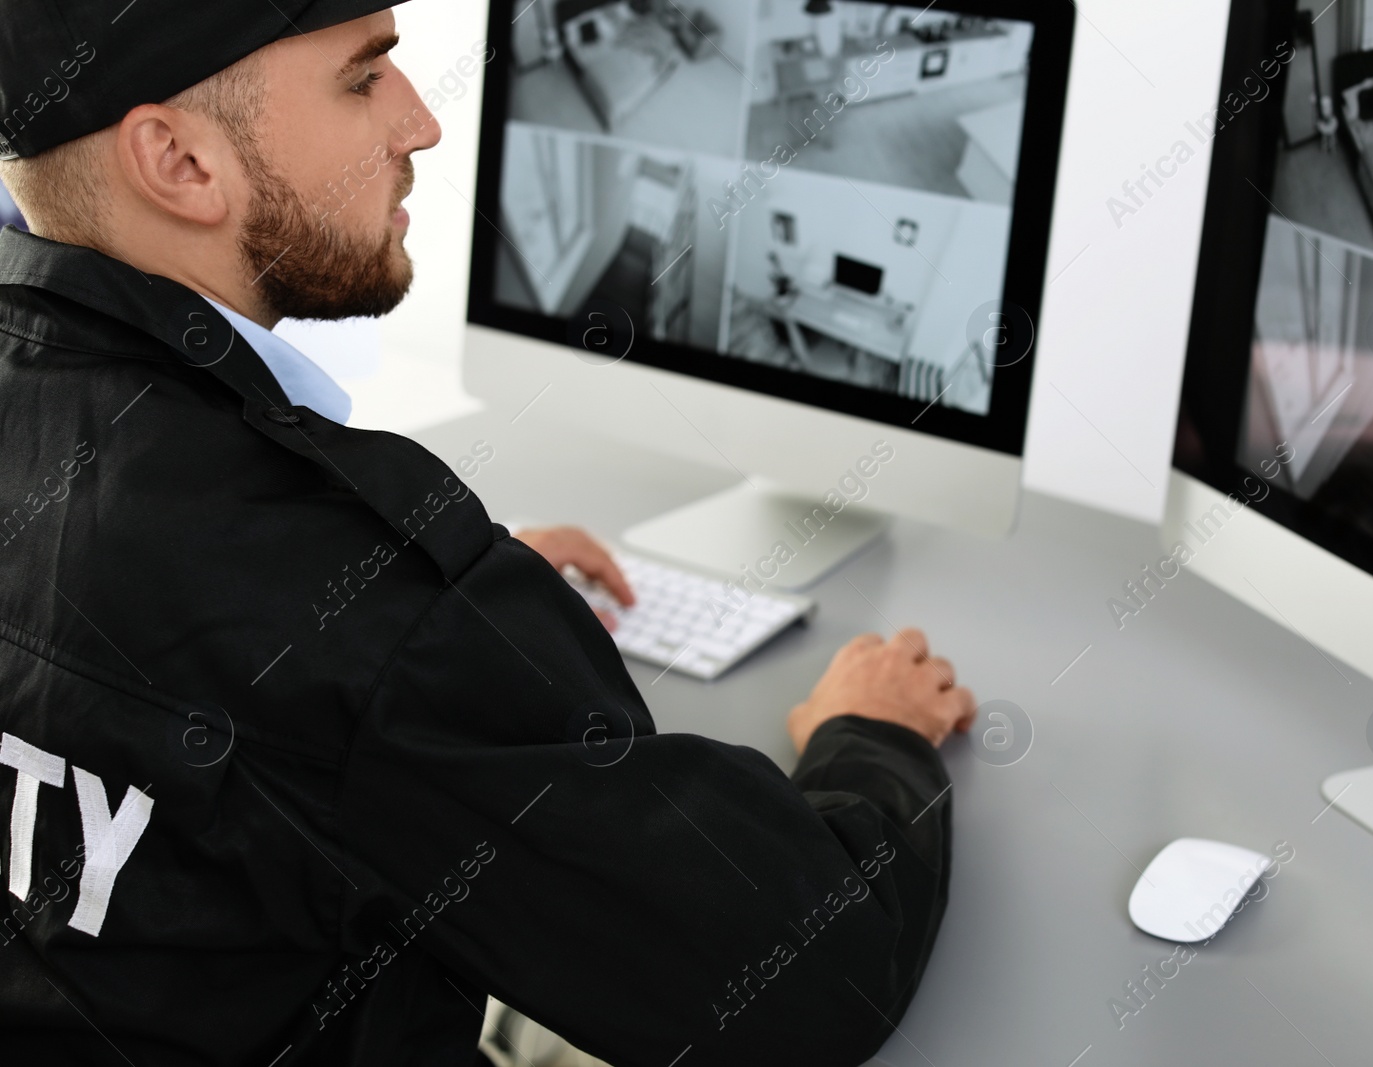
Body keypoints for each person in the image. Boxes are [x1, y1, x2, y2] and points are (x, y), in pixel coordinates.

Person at [0, 2, 977, 1065]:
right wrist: (873, 738)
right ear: (182, 160)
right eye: (365, 77)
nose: (420, 124)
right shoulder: (363, 600)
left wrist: (445, 627)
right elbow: (809, 981)